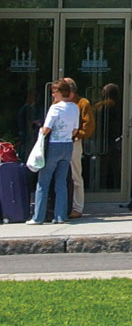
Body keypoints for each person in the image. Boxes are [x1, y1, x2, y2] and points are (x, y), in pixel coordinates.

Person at [32, 78, 80, 225]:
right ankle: (60, 216)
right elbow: (75, 129)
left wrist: (40, 130)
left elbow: (46, 129)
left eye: (54, 92)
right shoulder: (74, 107)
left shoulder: (55, 108)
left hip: (54, 145)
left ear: (61, 92)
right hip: (67, 145)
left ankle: (38, 217)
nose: (53, 95)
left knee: (43, 182)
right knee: (61, 183)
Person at [68, 76, 93, 218]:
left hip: (74, 142)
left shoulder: (82, 103)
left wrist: (77, 135)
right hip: (59, 143)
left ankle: (77, 207)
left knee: (75, 175)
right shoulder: (57, 103)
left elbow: (88, 126)